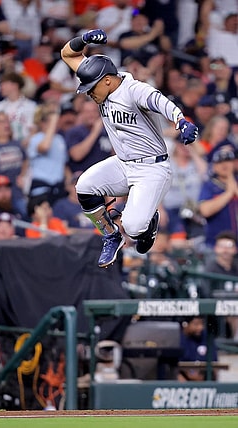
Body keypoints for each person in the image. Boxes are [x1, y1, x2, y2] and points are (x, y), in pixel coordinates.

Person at [60, 29, 198, 268]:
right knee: (83, 186)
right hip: (123, 164)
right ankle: (111, 235)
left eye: (92, 88)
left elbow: (161, 101)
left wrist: (181, 121)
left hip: (152, 168)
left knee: (134, 228)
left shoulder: (134, 89)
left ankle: (147, 223)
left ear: (106, 80)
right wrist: (83, 40)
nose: (89, 94)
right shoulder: (100, 80)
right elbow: (67, 54)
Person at [177, 316, 218, 382]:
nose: (200, 327)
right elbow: (176, 363)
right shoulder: (178, 337)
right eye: (196, 324)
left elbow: (214, 360)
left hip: (204, 375)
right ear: (185, 324)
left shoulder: (206, 336)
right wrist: (190, 373)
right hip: (183, 374)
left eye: (201, 324)